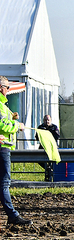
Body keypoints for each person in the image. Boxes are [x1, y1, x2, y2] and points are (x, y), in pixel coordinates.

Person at [0, 76, 32, 226]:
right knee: (4, 183)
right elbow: (2, 125)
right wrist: (17, 125)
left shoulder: (3, 105)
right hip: (2, 147)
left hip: (4, 147)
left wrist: (13, 118)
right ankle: (12, 216)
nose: (8, 90)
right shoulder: (0, 104)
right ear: (1, 88)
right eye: (7, 87)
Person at [37, 114, 60, 182]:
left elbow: (57, 136)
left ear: (51, 120)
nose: (47, 121)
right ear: (43, 120)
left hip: (52, 147)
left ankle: (50, 173)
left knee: (53, 161)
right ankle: (48, 169)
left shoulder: (54, 127)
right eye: (45, 120)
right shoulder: (40, 127)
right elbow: (37, 137)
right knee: (39, 159)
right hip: (43, 147)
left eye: (48, 120)